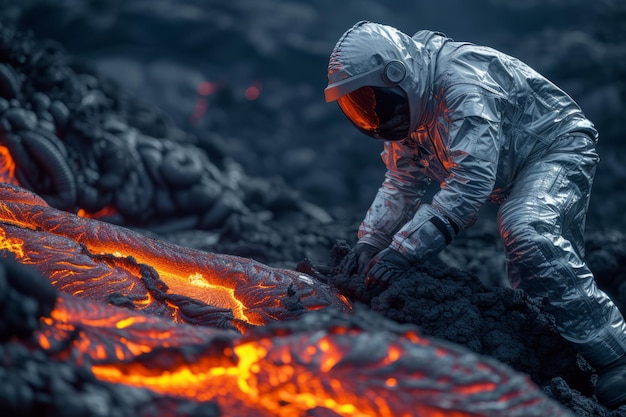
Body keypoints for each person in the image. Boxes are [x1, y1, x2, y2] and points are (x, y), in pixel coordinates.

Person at [325, 20, 626, 408]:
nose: (374, 116)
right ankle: (564, 354)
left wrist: (403, 251)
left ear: (397, 75)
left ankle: (616, 354)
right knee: (532, 268)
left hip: (555, 147)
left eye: (374, 101)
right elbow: (402, 181)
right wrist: (371, 240)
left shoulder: (461, 86)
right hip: (514, 163)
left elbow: (470, 181)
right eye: (361, 107)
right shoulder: (414, 105)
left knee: (527, 230)